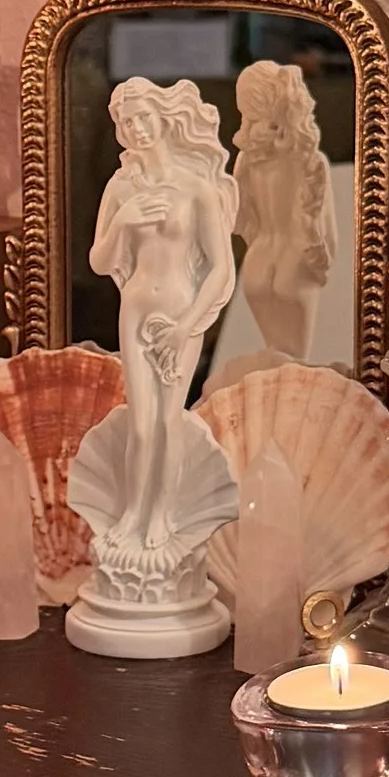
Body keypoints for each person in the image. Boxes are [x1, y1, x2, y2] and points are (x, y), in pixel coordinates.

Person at [87, 79, 240, 561]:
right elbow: (98, 259)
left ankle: (161, 515)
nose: (136, 128)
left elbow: (221, 269)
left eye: (143, 118)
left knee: (168, 420)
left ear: (163, 121)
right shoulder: (121, 188)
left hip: (178, 312)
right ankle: (134, 511)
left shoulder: (196, 189)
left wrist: (188, 325)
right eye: (126, 122)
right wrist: (124, 220)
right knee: (140, 422)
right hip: (134, 307)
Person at [232, 59, 338, 360]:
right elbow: (324, 228)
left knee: (278, 344)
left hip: (278, 249)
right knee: (293, 359)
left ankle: (290, 379)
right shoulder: (263, 159)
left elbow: (243, 216)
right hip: (280, 249)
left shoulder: (289, 160)